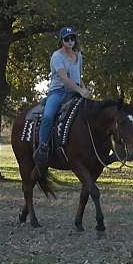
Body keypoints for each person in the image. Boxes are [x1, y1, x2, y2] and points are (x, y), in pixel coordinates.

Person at [34, 27, 91, 168]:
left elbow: (78, 76)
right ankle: (42, 148)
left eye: (72, 38)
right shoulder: (57, 56)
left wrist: (83, 89)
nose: (70, 41)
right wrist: (80, 90)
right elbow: (64, 79)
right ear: (61, 41)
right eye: (67, 39)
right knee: (48, 116)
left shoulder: (79, 56)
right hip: (58, 92)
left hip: (76, 91)